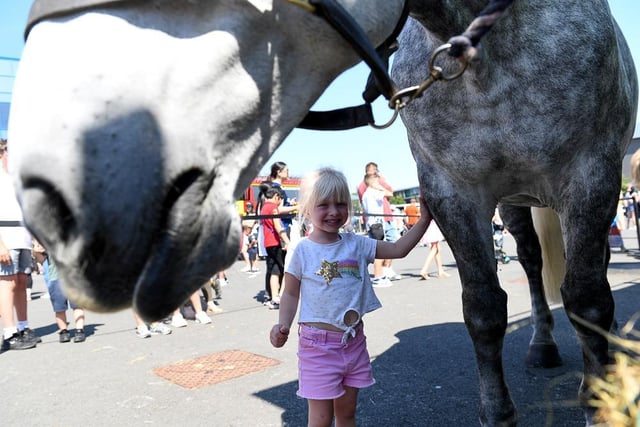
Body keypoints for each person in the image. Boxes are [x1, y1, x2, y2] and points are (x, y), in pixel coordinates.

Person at [270, 167, 430, 427]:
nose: (334, 211)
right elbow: (289, 292)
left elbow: (399, 249)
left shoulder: (357, 244)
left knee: (347, 415)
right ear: (307, 209)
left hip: (354, 343)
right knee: (320, 420)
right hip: (317, 349)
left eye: (341, 204)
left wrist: (424, 220)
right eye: (323, 205)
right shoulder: (302, 251)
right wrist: (283, 325)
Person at [0, 139, 39, 351]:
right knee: (7, 284)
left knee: (22, 282)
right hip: (5, 237)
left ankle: (23, 327)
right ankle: (9, 332)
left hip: (23, 237)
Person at [32, 240, 87, 343]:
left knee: (78, 306)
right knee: (59, 309)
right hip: (55, 280)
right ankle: (63, 331)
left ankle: (80, 330)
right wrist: (36, 251)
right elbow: (40, 259)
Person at [357, 162, 402, 282]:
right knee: (380, 248)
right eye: (374, 171)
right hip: (378, 221)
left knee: (388, 244)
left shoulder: (373, 186)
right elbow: (390, 192)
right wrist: (380, 185)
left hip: (383, 218)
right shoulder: (369, 188)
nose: (376, 173)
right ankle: (379, 274)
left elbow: (390, 191)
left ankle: (385, 270)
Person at [361, 173, 393, 287]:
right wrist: (380, 187)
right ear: (372, 182)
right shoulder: (373, 192)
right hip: (377, 224)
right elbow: (390, 193)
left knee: (377, 250)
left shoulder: (366, 194)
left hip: (372, 224)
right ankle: (378, 277)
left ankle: (380, 275)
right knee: (379, 252)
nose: (378, 183)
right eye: (376, 181)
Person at [260, 186, 290, 309]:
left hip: (268, 242)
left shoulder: (263, 207)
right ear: (276, 196)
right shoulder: (273, 208)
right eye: (280, 199)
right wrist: (288, 241)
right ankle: (281, 297)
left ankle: (275, 298)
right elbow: (278, 226)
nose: (280, 202)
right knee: (285, 269)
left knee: (274, 271)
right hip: (276, 242)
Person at [266, 161, 298, 237]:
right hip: (281, 227)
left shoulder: (276, 187)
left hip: (283, 226)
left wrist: (289, 204)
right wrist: (296, 207)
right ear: (279, 172)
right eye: (287, 170)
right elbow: (277, 210)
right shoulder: (276, 188)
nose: (288, 173)